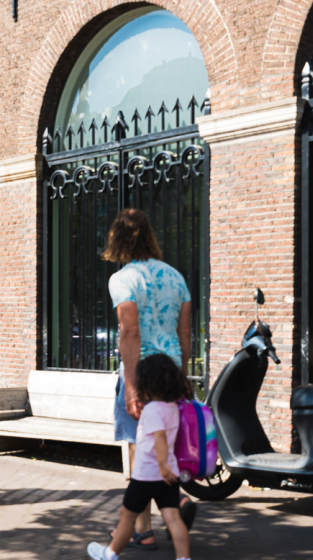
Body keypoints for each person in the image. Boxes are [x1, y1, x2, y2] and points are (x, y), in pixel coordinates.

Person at [104, 208, 192, 550]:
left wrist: (130, 384)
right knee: (164, 440)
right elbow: (185, 332)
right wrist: (183, 374)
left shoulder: (123, 279)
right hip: (169, 369)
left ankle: (160, 515)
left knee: (137, 445)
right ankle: (149, 525)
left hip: (142, 371)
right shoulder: (176, 278)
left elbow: (130, 330)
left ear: (119, 240)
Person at [88, 354, 196, 560]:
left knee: (126, 518)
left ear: (146, 382)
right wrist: (167, 467)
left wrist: (162, 464)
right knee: (173, 519)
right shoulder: (173, 407)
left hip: (147, 475)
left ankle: (109, 554)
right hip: (169, 476)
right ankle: (184, 558)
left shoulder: (152, 410)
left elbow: (160, 437)